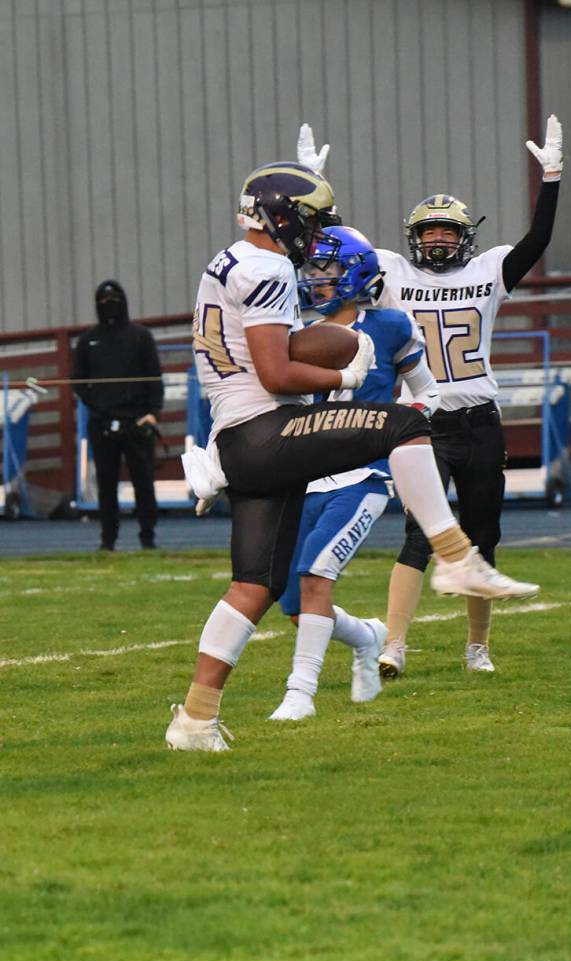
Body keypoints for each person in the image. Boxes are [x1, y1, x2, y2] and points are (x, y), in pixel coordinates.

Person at [167, 160, 539, 752]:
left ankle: (195, 719)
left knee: (254, 587)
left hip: (237, 436)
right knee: (403, 425)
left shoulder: (230, 259)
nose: (315, 238)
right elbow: (276, 371)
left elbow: (272, 348)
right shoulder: (267, 269)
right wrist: (344, 370)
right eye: (311, 221)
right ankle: (454, 554)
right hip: (264, 434)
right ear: (283, 215)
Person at [297, 116, 562, 677]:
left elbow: (537, 241)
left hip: (480, 421)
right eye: (429, 231)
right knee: (420, 535)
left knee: (483, 535)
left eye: (447, 230)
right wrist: (313, 194)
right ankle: (394, 646)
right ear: (412, 237)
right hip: (422, 423)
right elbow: (341, 250)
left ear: (465, 236)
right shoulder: (391, 272)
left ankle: (477, 646)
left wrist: (553, 179)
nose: (437, 239)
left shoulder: (491, 269)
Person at [271, 225, 440, 721]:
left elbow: (428, 392)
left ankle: (299, 694)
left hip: (361, 476)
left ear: (355, 276)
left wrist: (398, 425)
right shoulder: (295, 332)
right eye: (313, 271)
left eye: (327, 271)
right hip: (305, 475)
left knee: (316, 574)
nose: (316, 281)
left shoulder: (389, 326)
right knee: (293, 603)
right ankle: (367, 636)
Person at [72, 280, 164, 551]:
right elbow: (78, 382)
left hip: (137, 421)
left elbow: (154, 379)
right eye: (102, 300)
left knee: (144, 482)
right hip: (102, 423)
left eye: (113, 298)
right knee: (106, 484)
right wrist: (97, 406)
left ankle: (148, 536)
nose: (108, 304)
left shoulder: (141, 336)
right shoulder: (88, 341)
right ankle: (107, 539)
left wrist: (152, 413)